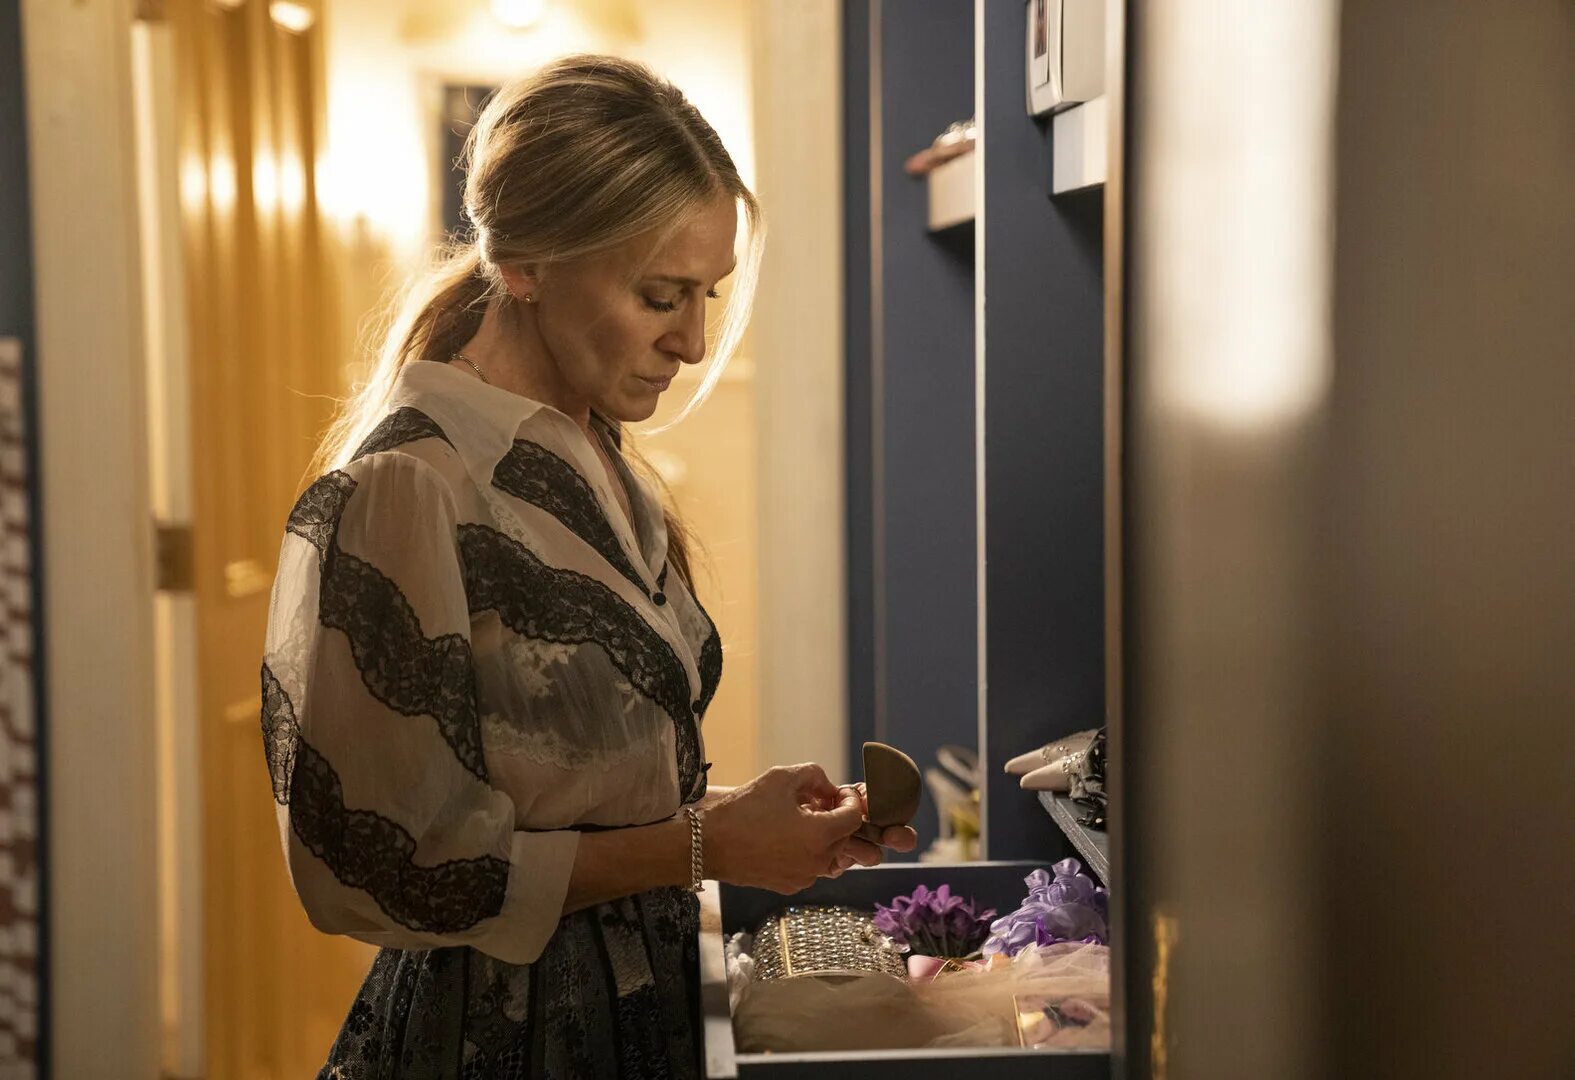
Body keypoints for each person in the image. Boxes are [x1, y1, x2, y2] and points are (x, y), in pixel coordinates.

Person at [260, 54, 916, 1078]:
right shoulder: (412, 483)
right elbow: (391, 871)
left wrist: (736, 819)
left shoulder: (594, 453)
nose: (693, 341)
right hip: (504, 1038)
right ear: (525, 264)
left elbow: (552, 792)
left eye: (706, 294)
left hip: (639, 1006)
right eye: (660, 295)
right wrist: (706, 848)